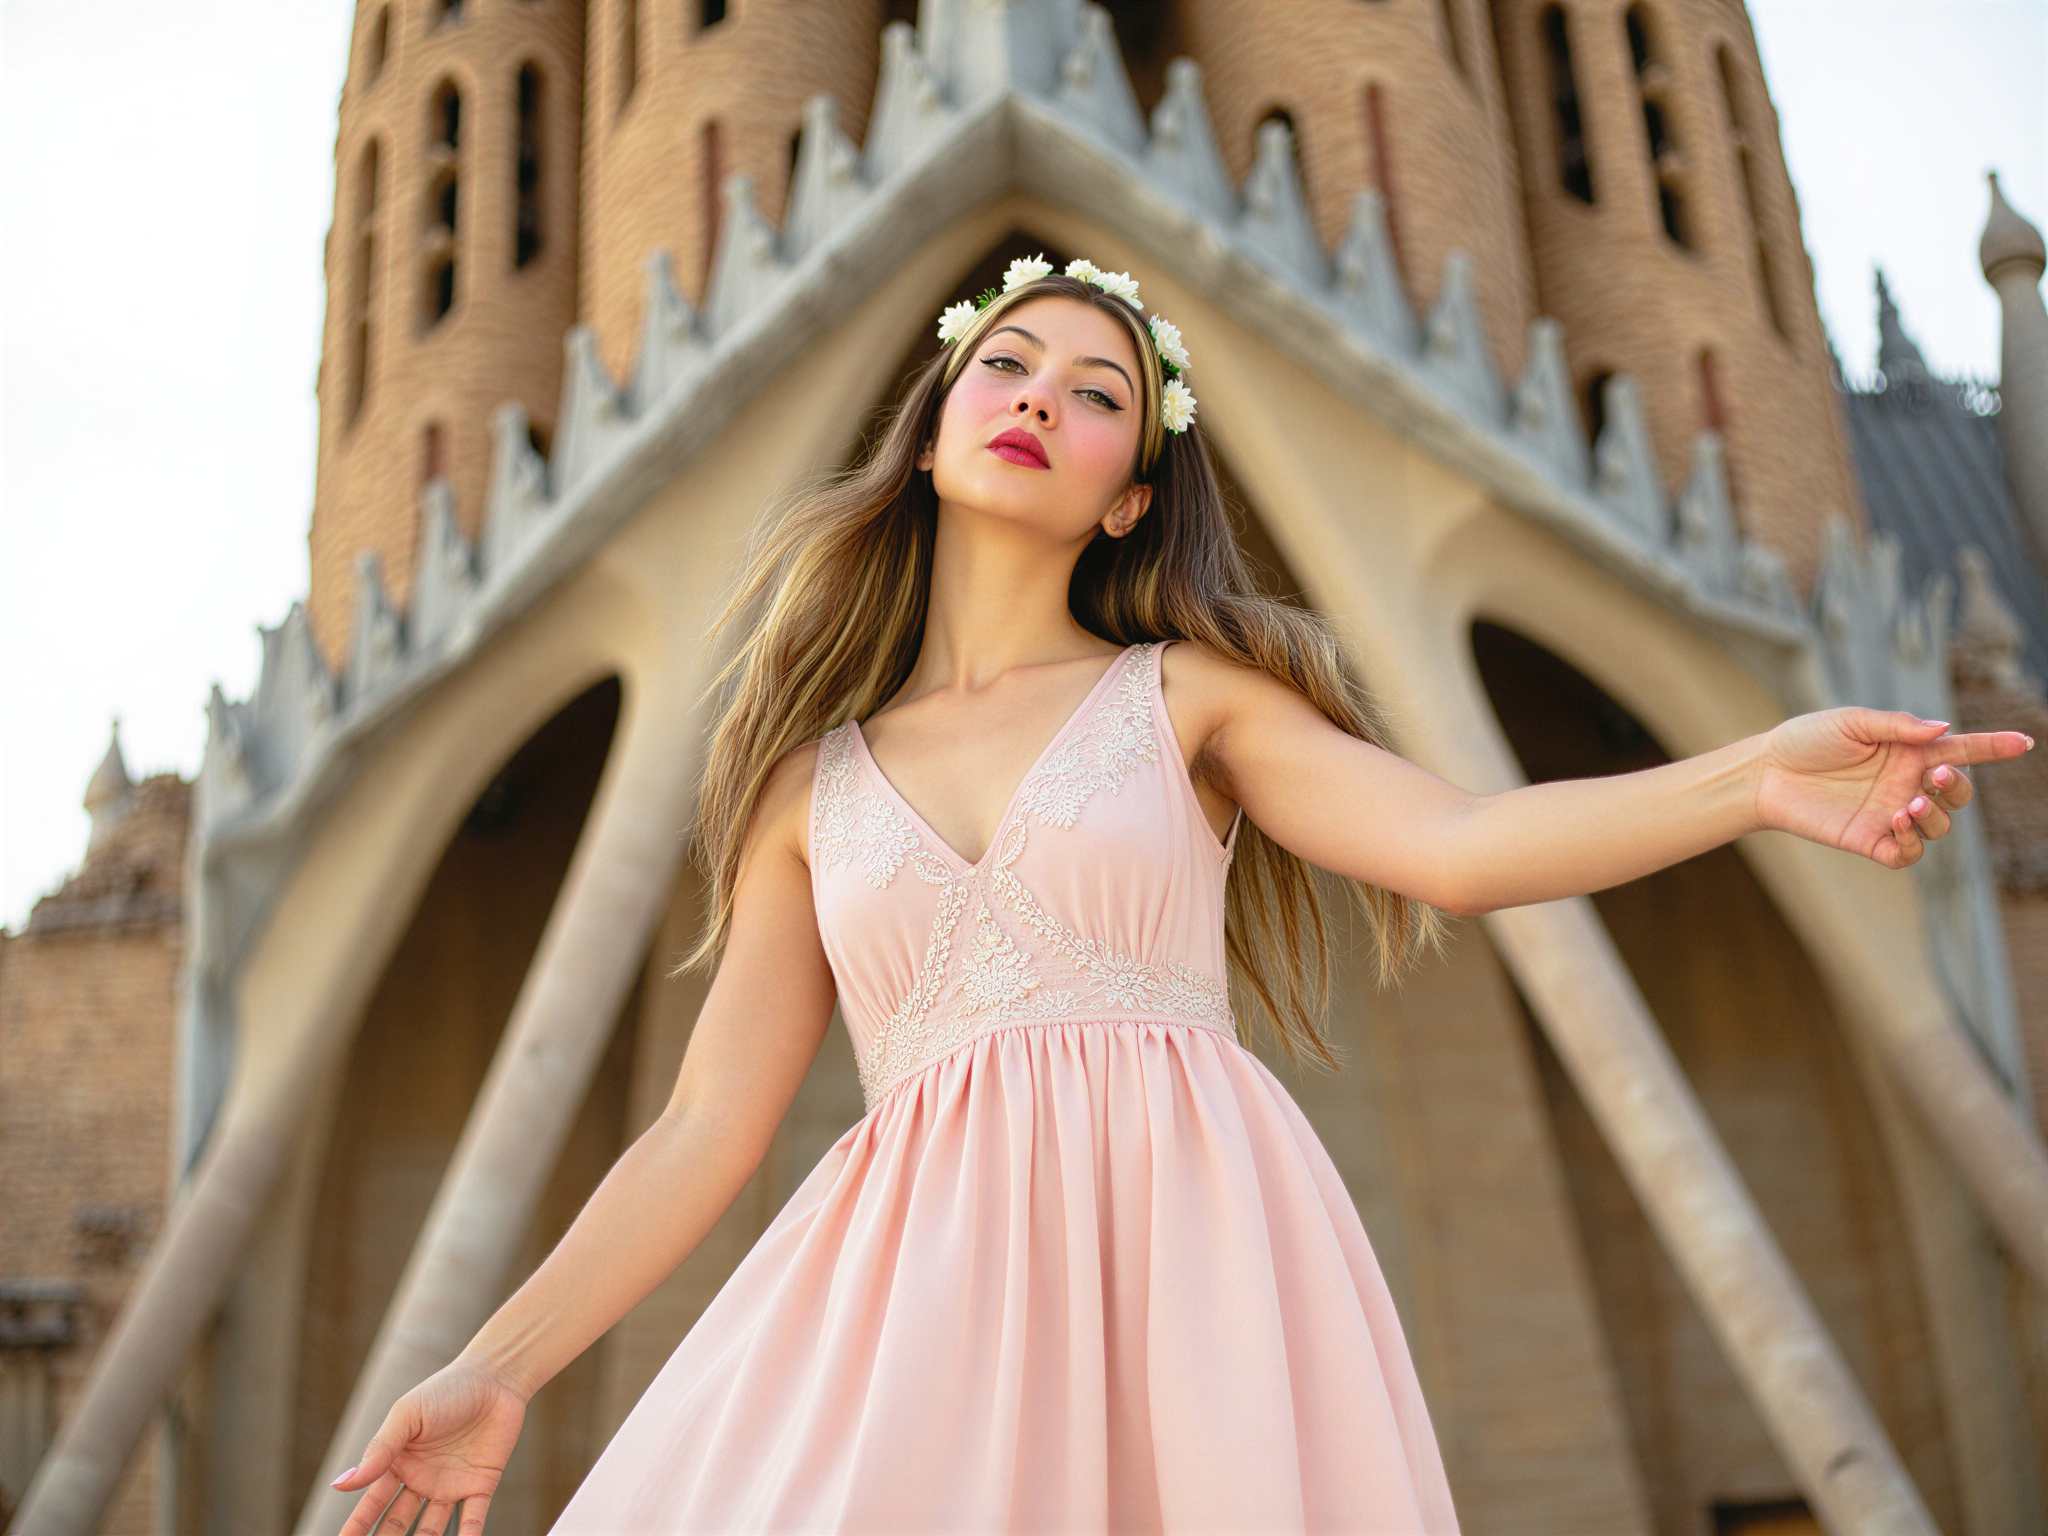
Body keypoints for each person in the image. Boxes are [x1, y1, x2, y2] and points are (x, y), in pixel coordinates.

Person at [328, 258, 2032, 1536]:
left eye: (1096, 394)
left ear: (1129, 491)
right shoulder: (806, 785)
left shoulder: (1190, 700)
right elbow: (706, 1125)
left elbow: (1459, 844)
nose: (1038, 399)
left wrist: (1753, 779)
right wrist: (500, 1362)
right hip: (912, 1287)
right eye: (1006, 366)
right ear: (932, 430)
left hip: (1192, 1244)